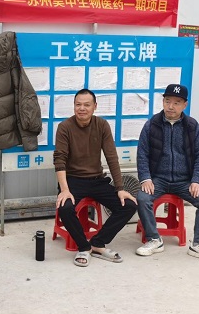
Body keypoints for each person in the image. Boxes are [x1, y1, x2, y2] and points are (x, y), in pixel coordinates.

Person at [135, 84, 199, 264]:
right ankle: (154, 239)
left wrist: (197, 180)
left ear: (184, 105)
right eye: (167, 101)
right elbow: (142, 153)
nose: (171, 106)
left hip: (185, 181)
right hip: (158, 179)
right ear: (163, 102)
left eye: (176, 103)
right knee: (143, 198)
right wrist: (146, 178)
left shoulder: (192, 126)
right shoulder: (152, 124)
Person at [54, 89, 138, 267]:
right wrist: (65, 189)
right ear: (74, 106)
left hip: (97, 180)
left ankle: (98, 243)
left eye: (87, 105)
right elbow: (59, 160)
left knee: (128, 205)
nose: (82, 108)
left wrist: (120, 188)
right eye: (78, 104)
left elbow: (111, 157)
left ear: (95, 107)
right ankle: (84, 247)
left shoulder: (102, 125)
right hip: (73, 180)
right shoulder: (64, 127)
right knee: (65, 208)